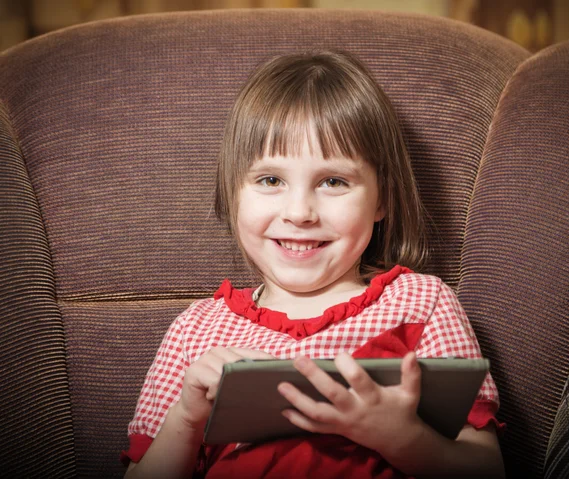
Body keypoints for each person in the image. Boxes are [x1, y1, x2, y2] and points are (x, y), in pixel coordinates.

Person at [121, 50, 505, 479]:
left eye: (333, 182)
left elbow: (487, 468)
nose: (300, 212)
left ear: (382, 200)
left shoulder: (423, 303)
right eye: (270, 180)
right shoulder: (196, 330)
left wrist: (397, 436)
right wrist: (187, 419)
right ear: (233, 195)